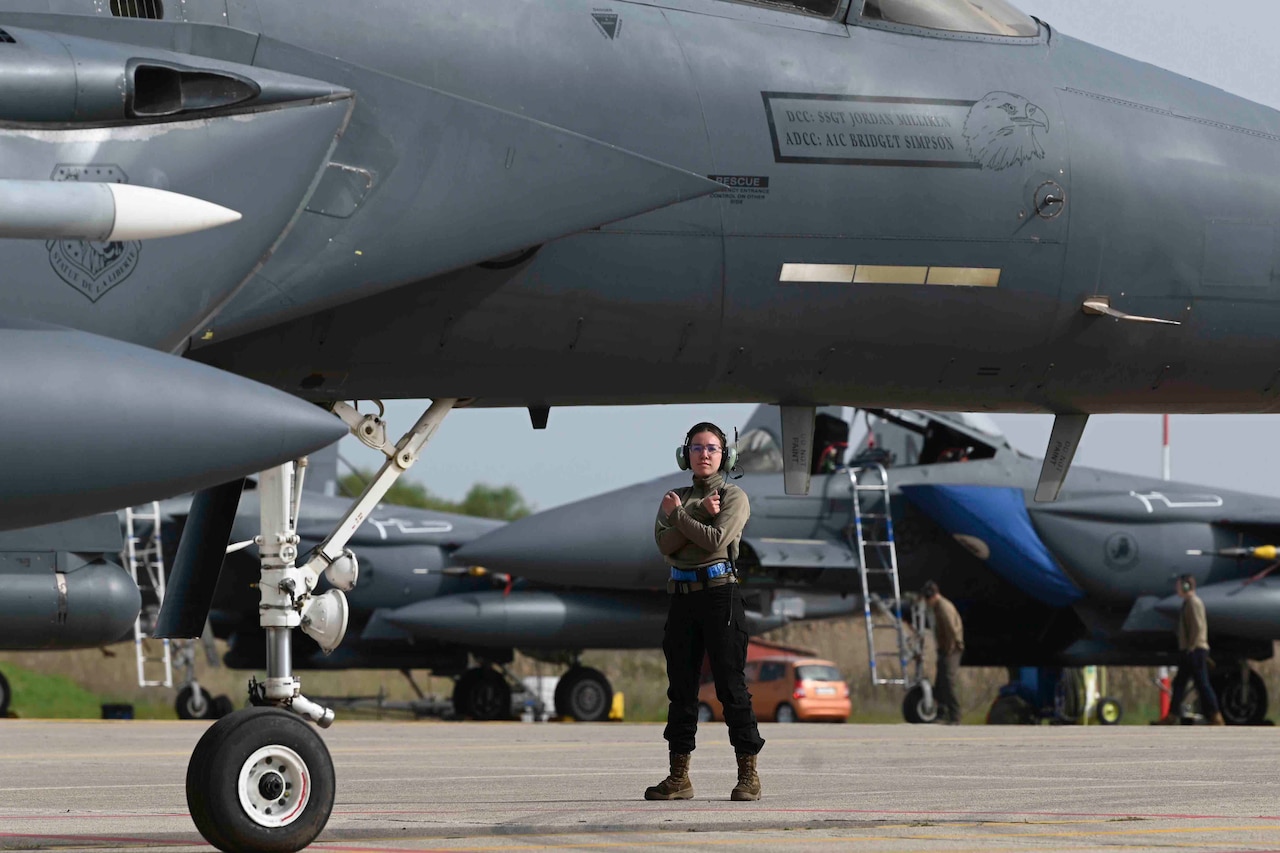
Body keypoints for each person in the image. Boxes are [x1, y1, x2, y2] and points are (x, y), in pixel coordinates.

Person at [645, 421, 764, 802]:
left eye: (712, 448)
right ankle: (678, 777)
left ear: (724, 455)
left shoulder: (733, 497)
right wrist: (695, 510)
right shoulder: (679, 497)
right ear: (687, 455)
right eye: (697, 448)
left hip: (720, 597)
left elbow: (715, 540)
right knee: (681, 688)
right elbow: (665, 546)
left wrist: (681, 516)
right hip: (682, 597)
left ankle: (749, 776)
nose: (705, 454)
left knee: (731, 687)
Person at [1156, 575, 1225, 725]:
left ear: (1186, 586)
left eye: (1179, 585)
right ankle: (1172, 715)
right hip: (1190, 650)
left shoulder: (1194, 603)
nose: (1177, 588)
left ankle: (1216, 716)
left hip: (1195, 650)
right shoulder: (1188, 603)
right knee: (1180, 683)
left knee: (1202, 684)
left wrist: (1192, 648)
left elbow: (1198, 627)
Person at [922, 580, 963, 724]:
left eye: (928, 598)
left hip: (952, 649)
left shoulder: (943, 607)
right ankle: (941, 714)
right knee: (940, 683)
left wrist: (949, 650)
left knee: (948, 681)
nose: (927, 602)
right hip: (945, 649)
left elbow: (952, 630)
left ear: (933, 596)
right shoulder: (937, 607)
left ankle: (955, 715)